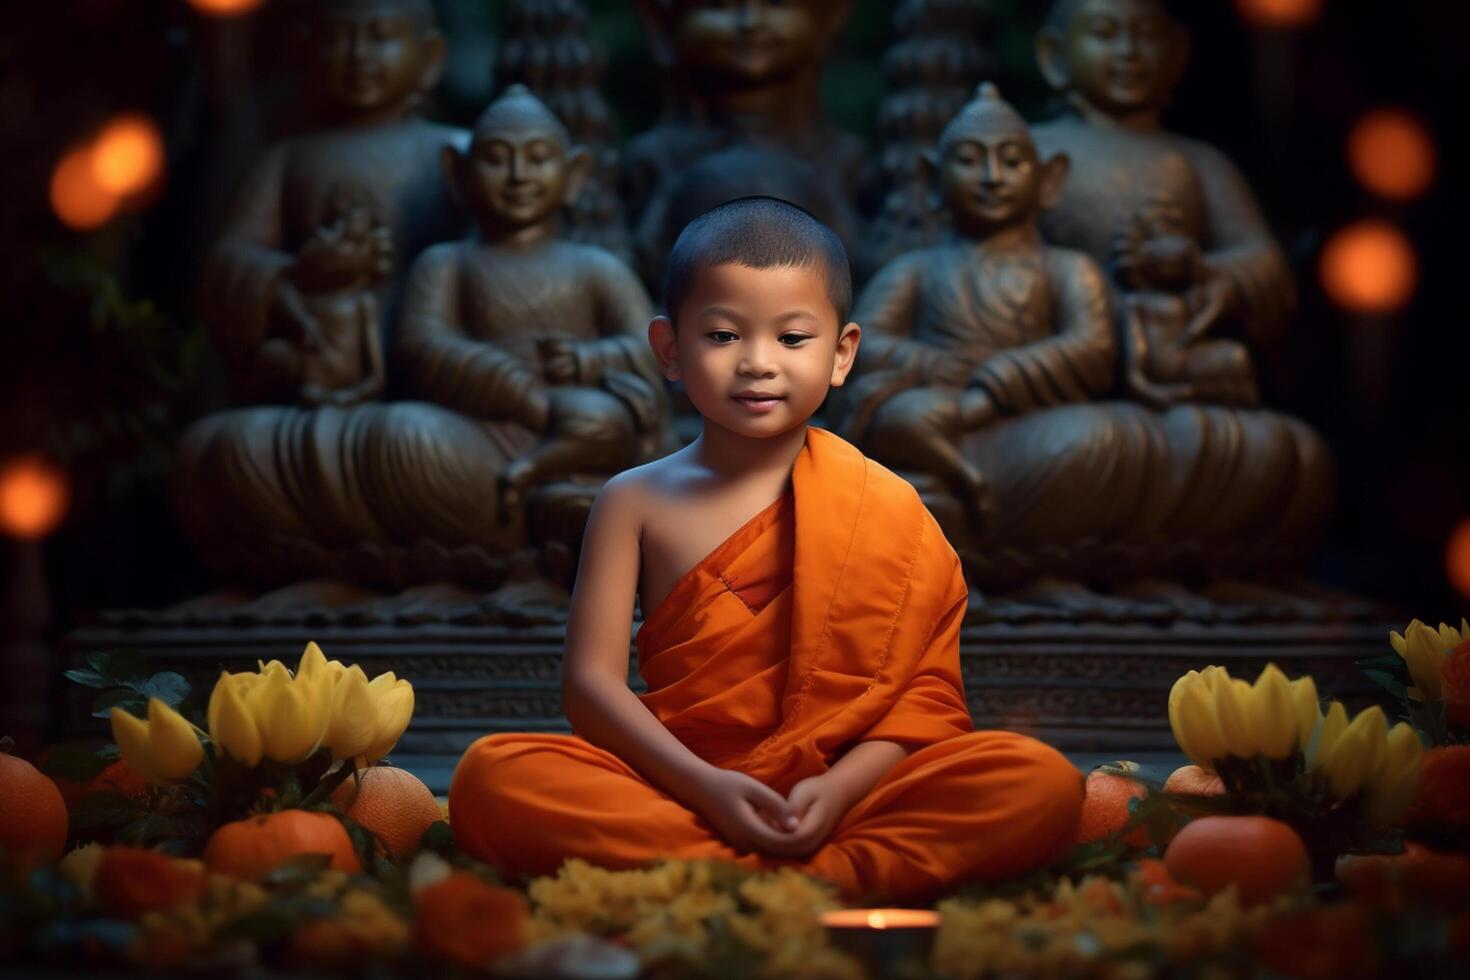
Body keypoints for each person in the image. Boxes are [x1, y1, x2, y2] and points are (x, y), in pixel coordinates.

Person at [449, 198, 1085, 903]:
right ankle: (823, 886)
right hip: (677, 785)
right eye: (722, 336)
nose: (756, 364)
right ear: (669, 350)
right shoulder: (633, 500)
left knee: (1038, 780)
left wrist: (835, 791)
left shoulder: (887, 505)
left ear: (842, 355)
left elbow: (922, 701)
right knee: (494, 776)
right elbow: (591, 690)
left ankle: (717, 882)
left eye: (792, 339)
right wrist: (708, 787)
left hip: (847, 796)